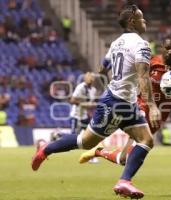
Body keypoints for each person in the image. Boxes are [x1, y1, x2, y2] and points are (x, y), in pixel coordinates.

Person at [31, 5, 161, 199]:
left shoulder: (116, 43)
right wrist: (152, 106)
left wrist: (102, 75)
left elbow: (104, 66)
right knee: (86, 142)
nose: (145, 22)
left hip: (123, 101)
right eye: (142, 18)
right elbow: (143, 76)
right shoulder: (141, 45)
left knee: (144, 140)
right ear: (132, 21)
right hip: (118, 101)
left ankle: (124, 181)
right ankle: (46, 149)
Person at [79, 37, 171, 166]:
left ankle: (99, 152)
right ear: (161, 48)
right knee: (137, 148)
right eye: (167, 49)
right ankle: (124, 180)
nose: (169, 52)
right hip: (143, 106)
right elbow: (133, 73)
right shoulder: (152, 62)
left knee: (124, 159)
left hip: (161, 113)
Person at [51, 72, 98, 163]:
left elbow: (90, 103)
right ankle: (58, 134)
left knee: (90, 136)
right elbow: (72, 100)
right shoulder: (80, 87)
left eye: (91, 79)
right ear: (85, 79)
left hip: (85, 116)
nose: (90, 80)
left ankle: (91, 157)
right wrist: (83, 104)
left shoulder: (93, 90)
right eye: (89, 78)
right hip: (76, 115)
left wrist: (91, 107)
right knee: (73, 135)